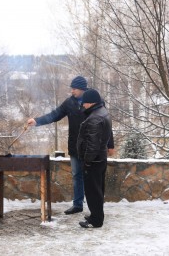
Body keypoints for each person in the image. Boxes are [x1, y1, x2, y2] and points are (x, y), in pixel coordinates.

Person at [27, 76, 115, 215]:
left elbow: (106, 125)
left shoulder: (95, 102)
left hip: (93, 149)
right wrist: (37, 121)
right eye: (72, 88)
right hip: (75, 147)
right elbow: (54, 115)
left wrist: (110, 144)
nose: (72, 91)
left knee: (94, 179)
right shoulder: (69, 103)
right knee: (77, 176)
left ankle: (97, 209)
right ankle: (77, 205)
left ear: (81, 89)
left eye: (74, 88)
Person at [77, 88, 112, 228]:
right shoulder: (102, 112)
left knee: (93, 191)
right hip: (100, 158)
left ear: (91, 103)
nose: (83, 105)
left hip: (94, 160)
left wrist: (87, 162)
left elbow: (92, 145)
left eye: (84, 102)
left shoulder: (94, 119)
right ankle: (96, 215)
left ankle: (96, 220)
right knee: (98, 189)